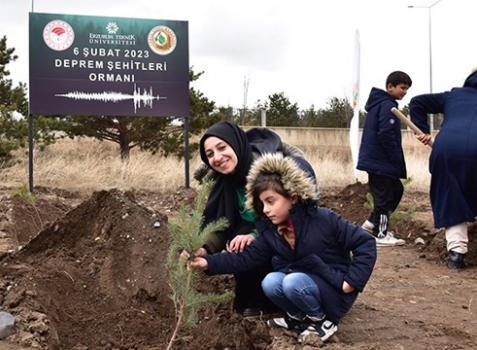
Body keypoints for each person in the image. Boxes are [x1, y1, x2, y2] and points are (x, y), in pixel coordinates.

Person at [186, 153, 377, 343]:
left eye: (271, 201)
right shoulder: (272, 230)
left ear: (293, 197)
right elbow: (245, 258)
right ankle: (298, 318)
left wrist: (351, 281)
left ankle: (323, 320)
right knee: (270, 281)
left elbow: (365, 243)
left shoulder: (324, 219)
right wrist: (208, 262)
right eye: (262, 204)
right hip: (301, 285)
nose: (266, 209)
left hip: (334, 289)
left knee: (291, 281)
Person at [194, 121, 315, 316]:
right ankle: (256, 301)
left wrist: (256, 233)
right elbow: (220, 223)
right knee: (239, 241)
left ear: (235, 143)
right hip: (256, 234)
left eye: (222, 147)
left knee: (252, 242)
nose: (217, 157)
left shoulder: (270, 173)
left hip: (286, 233)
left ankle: (295, 297)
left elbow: (294, 215)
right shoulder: (224, 182)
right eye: (210, 154)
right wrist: (204, 248)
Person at [408, 67, 477, 269]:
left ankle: (456, 255)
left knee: (452, 195)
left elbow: (417, 102)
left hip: (447, 149)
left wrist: (423, 131)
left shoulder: (455, 95)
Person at [357, 71, 412, 247]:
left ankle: (372, 223)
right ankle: (380, 234)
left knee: (396, 190)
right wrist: (395, 157)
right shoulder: (387, 106)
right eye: (402, 88)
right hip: (380, 161)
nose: (404, 92)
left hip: (378, 160)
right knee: (384, 196)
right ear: (390, 87)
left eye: (407, 89)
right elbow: (386, 134)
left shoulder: (383, 105)